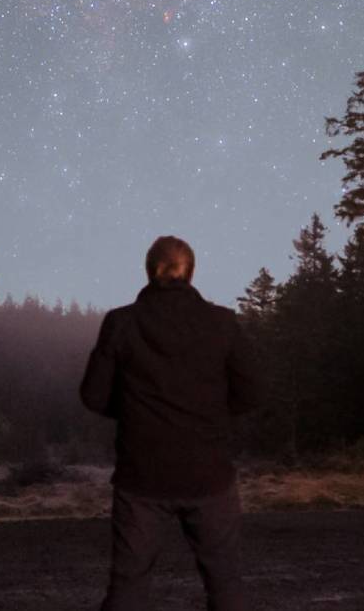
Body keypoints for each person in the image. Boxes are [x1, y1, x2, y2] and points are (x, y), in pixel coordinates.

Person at [81, 235, 262, 611]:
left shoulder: (121, 323)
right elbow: (252, 393)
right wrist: (211, 414)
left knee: (128, 586)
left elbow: (93, 396)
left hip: (141, 478)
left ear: (149, 272)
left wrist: (135, 411)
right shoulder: (222, 322)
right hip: (209, 474)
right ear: (190, 273)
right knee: (226, 584)